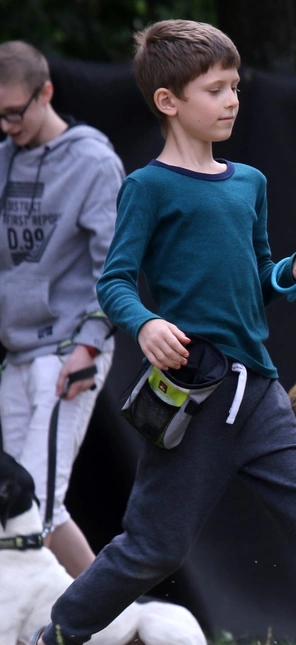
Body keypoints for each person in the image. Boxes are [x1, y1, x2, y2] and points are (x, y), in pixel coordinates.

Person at [18, 19, 296, 645]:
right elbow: (112, 282)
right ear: (169, 101)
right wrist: (145, 324)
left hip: (260, 392)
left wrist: (288, 273)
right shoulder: (147, 188)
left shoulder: (248, 183)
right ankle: (55, 643)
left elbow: (255, 276)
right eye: (215, 89)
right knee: (152, 547)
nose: (232, 99)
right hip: (192, 394)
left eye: (235, 86)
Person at [0, 40, 122, 577]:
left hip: (70, 350)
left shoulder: (93, 162)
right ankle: (113, 626)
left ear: (45, 93)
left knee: (35, 507)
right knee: (34, 509)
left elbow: (117, 264)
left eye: (14, 112)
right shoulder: (2, 160)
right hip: (18, 354)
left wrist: (89, 346)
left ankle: (66, 635)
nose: (7, 126)